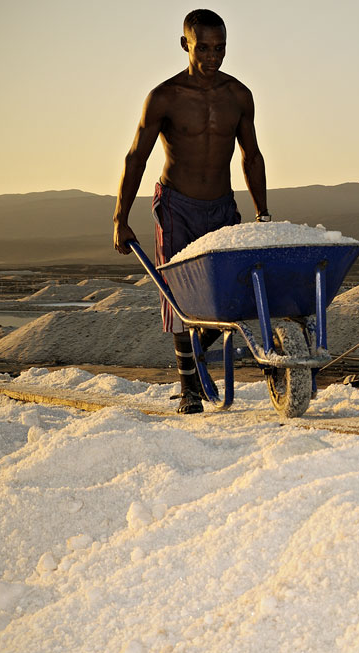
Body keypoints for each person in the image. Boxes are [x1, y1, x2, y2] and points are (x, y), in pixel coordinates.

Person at [112, 9, 270, 414]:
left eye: (221, 48)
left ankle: (195, 358)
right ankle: (189, 390)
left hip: (221, 206)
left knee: (231, 297)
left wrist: (262, 214)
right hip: (177, 204)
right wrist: (120, 217)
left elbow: (251, 157)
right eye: (204, 48)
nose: (214, 56)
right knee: (178, 296)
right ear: (186, 44)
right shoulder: (164, 97)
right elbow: (135, 158)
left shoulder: (238, 95)